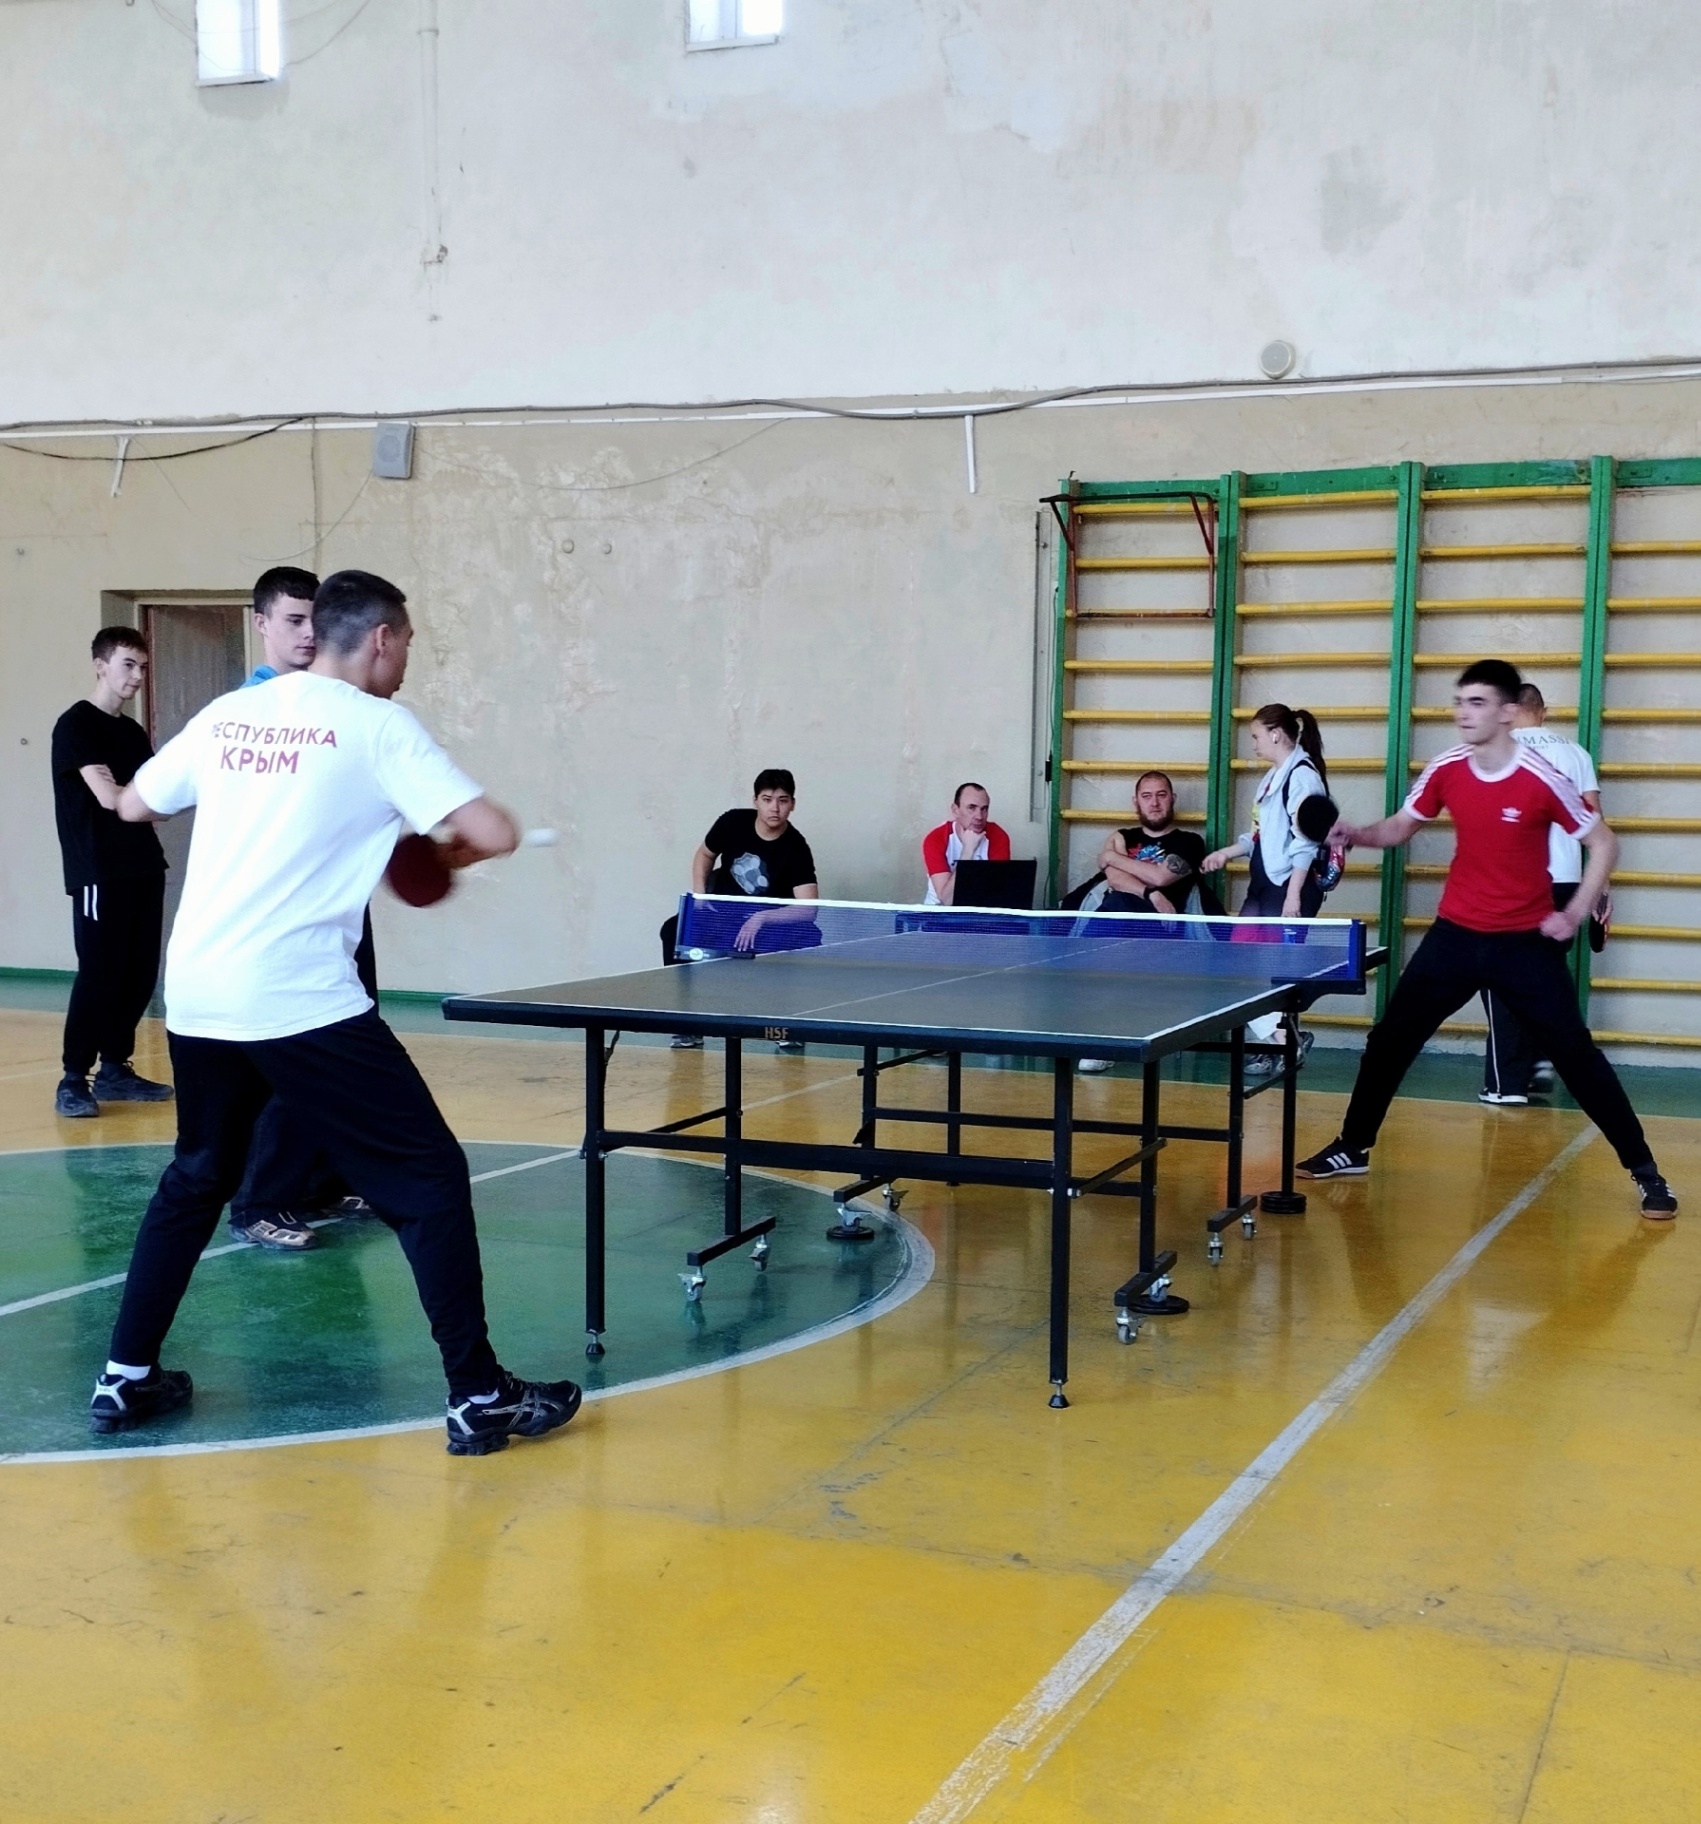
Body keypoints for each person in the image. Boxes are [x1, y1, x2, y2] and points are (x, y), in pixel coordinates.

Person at [90, 570, 584, 1453]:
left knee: (198, 1175)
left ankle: (125, 1376)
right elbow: (497, 831)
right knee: (429, 1178)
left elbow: (133, 803)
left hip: (198, 991)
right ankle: (479, 1396)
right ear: (382, 639)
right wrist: (443, 852)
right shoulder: (377, 726)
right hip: (298, 997)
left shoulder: (230, 713)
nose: (407, 660)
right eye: (409, 644)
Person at [1296, 660, 1677, 1219]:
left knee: (1577, 1056)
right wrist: (1357, 833)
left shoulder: (1542, 777)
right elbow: (1400, 826)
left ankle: (1647, 1173)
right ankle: (1353, 1147)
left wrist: (1573, 912)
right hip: (1455, 936)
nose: (1463, 713)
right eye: (1459, 701)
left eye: (1476, 702)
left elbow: (1604, 843)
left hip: (1523, 943)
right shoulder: (1447, 768)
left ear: (1506, 712)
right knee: (1390, 1040)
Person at [223, 566, 379, 1251]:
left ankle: (320, 1179)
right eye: (292, 620)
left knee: (342, 1050)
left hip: (338, 908)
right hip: (281, 921)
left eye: (315, 620)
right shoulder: (251, 712)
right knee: (288, 1060)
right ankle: (260, 1201)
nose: (307, 633)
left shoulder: (337, 705)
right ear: (261, 624)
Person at [50, 628, 175, 1119]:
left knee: (139, 973)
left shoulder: (131, 733)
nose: (138, 676)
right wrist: (135, 799)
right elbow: (111, 799)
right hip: (98, 870)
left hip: (143, 865)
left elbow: (155, 802)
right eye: (128, 665)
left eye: (143, 667)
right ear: (100, 666)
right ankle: (73, 1077)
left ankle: (116, 1068)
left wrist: (140, 800)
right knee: (100, 972)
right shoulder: (76, 725)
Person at [1480, 681, 1603, 1106]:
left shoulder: (1500, 752)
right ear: (1543, 711)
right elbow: (1595, 822)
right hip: (1566, 882)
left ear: (1509, 711)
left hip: (1514, 883)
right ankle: (1539, 1062)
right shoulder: (1576, 754)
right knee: (1543, 977)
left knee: (1500, 979)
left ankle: (1505, 1083)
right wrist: (1600, 889)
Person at [1201, 704, 1331, 1070]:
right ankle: (1284, 1040)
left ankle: (1281, 1043)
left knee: (1271, 973)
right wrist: (1226, 853)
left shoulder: (1302, 778)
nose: (1254, 743)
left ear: (1276, 734)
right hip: (1262, 885)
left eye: (1256, 736)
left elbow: (1306, 842)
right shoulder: (1272, 777)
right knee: (1238, 966)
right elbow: (1259, 835)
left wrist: (1293, 896)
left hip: (1288, 888)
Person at [661, 769, 819, 1051]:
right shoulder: (732, 822)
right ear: (755, 800)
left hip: (767, 924)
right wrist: (699, 893)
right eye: (767, 799)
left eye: (782, 800)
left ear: (792, 804)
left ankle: (785, 1022)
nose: (775, 808)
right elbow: (705, 854)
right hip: (723, 916)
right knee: (673, 930)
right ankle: (686, 1024)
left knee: (804, 938)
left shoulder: (796, 847)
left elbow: (808, 909)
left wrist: (762, 918)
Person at [1096, 771, 1207, 914]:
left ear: (1172, 799)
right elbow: (1116, 879)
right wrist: (1151, 894)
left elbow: (1160, 878)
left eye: (1161, 795)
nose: (1154, 803)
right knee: (1117, 901)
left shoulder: (1190, 841)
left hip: (1161, 921)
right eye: (1146, 796)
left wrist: (1111, 857)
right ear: (1136, 802)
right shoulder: (1122, 836)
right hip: (1115, 913)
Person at [922, 783, 1011, 904]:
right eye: (971, 808)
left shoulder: (998, 837)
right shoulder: (936, 838)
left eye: (984, 809)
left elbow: (997, 892)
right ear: (955, 810)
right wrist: (967, 851)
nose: (979, 816)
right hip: (939, 911)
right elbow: (947, 900)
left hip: (980, 909)